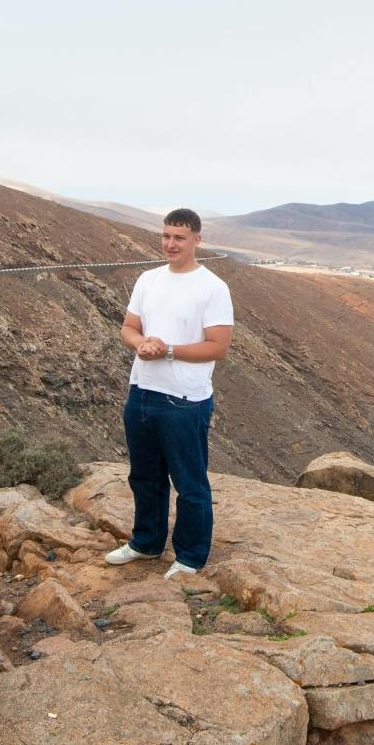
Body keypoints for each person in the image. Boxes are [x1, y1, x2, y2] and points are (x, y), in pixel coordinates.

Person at [104, 208, 234, 578]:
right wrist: (142, 343)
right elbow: (128, 327)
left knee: (190, 483)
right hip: (142, 390)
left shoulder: (212, 287)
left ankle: (190, 556)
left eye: (179, 237)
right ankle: (146, 543)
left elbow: (218, 347)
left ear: (196, 240)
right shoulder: (148, 279)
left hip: (184, 400)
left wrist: (170, 350)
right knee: (144, 476)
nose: (171, 244)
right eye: (166, 236)